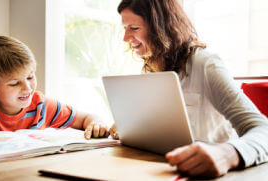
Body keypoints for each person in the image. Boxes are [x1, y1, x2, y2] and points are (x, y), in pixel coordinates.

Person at [109, 0, 268, 178]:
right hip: (162, 170)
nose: (125, 38)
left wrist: (228, 154)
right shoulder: (149, 69)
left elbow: (263, 130)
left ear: (161, 27)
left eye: (134, 28)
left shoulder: (206, 64)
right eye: (125, 28)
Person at [0, 35, 110, 140]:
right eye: (14, 83)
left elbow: (85, 118)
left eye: (30, 77)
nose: (27, 88)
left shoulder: (41, 105)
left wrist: (97, 123)